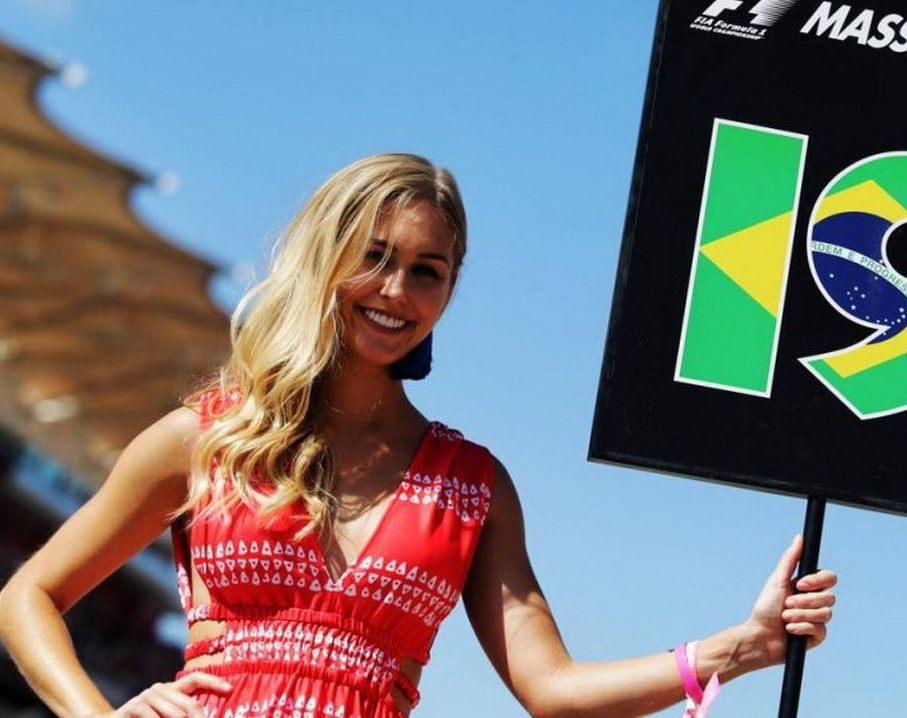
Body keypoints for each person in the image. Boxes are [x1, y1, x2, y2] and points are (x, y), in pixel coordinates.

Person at [0, 154, 837, 717]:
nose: (396, 291)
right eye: (373, 258)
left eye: (426, 272)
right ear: (324, 258)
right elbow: (26, 596)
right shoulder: (207, 438)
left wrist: (741, 646)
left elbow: (552, 690)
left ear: (449, 288)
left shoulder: (472, 487)